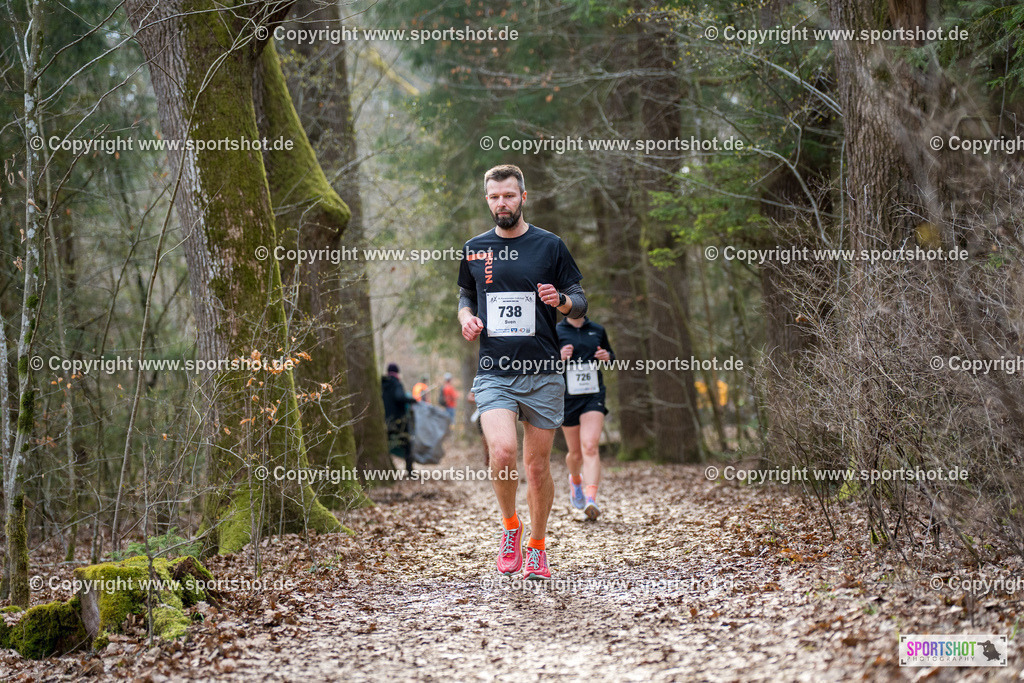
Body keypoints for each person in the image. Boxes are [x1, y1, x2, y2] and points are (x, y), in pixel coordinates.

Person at [457, 164, 588, 580]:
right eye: (495, 197)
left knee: (536, 467)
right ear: (487, 200)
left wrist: (562, 302)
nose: (502, 203)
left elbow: (581, 300)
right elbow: (465, 294)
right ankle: (510, 526)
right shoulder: (475, 248)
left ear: (523, 197)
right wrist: (466, 317)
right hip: (495, 370)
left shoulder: (550, 245)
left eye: (509, 196)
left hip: (544, 370)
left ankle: (537, 546)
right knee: (502, 452)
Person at [558, 316, 614, 520]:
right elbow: (543, 363)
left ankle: (591, 499)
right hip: (568, 397)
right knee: (575, 454)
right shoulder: (556, 331)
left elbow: (611, 357)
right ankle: (575, 481)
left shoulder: (598, 329)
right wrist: (558, 357)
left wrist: (606, 356)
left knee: (590, 446)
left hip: (593, 395)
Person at [381, 363, 416, 474]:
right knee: (407, 443)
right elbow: (399, 397)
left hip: (384, 420)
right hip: (398, 421)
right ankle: (409, 470)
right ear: (397, 372)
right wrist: (411, 400)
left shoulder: (382, 383)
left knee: (386, 444)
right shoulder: (396, 384)